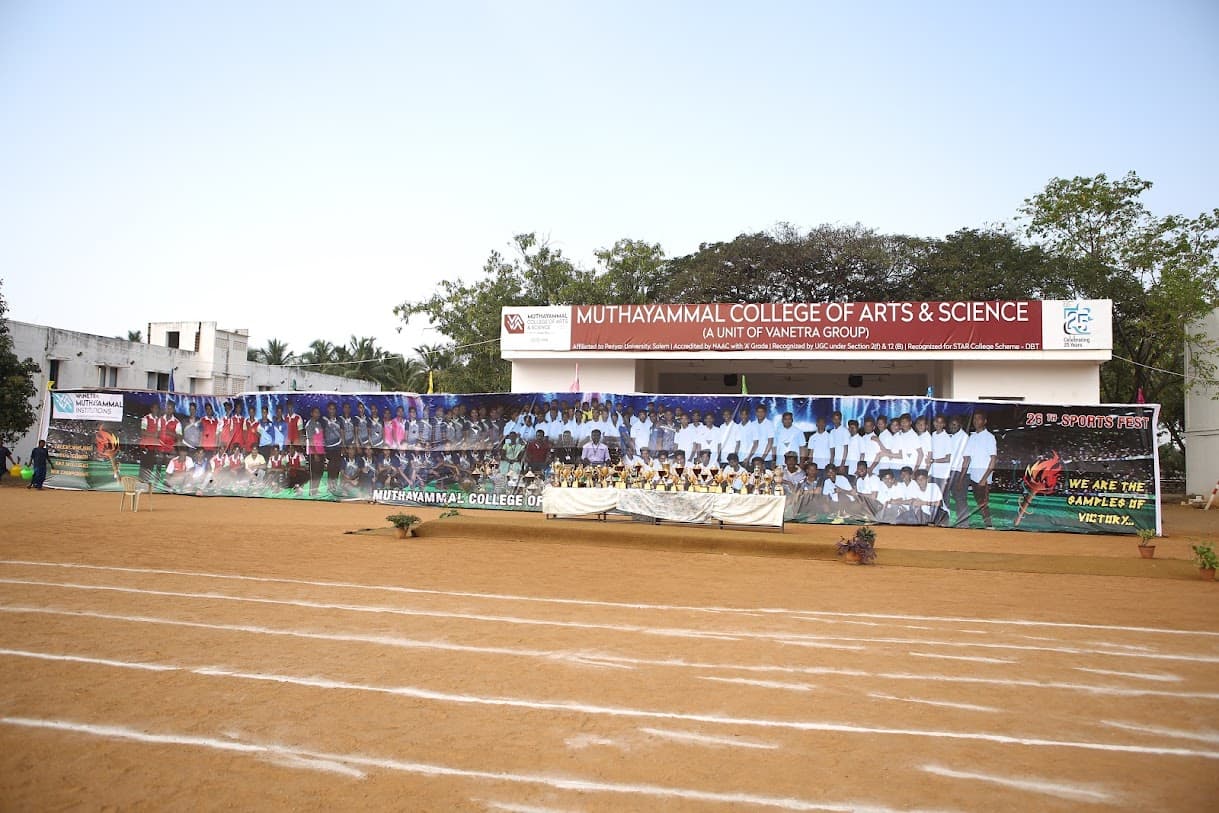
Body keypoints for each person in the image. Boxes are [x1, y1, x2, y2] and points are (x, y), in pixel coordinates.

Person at [960, 411, 998, 528]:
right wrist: (961, 477)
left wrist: (984, 479)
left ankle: (989, 526)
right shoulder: (972, 437)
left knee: (983, 504)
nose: (976, 422)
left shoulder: (989, 437)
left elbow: (993, 460)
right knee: (978, 502)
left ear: (984, 421)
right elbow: (966, 458)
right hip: (973, 476)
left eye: (979, 419)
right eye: (974, 419)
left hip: (983, 478)